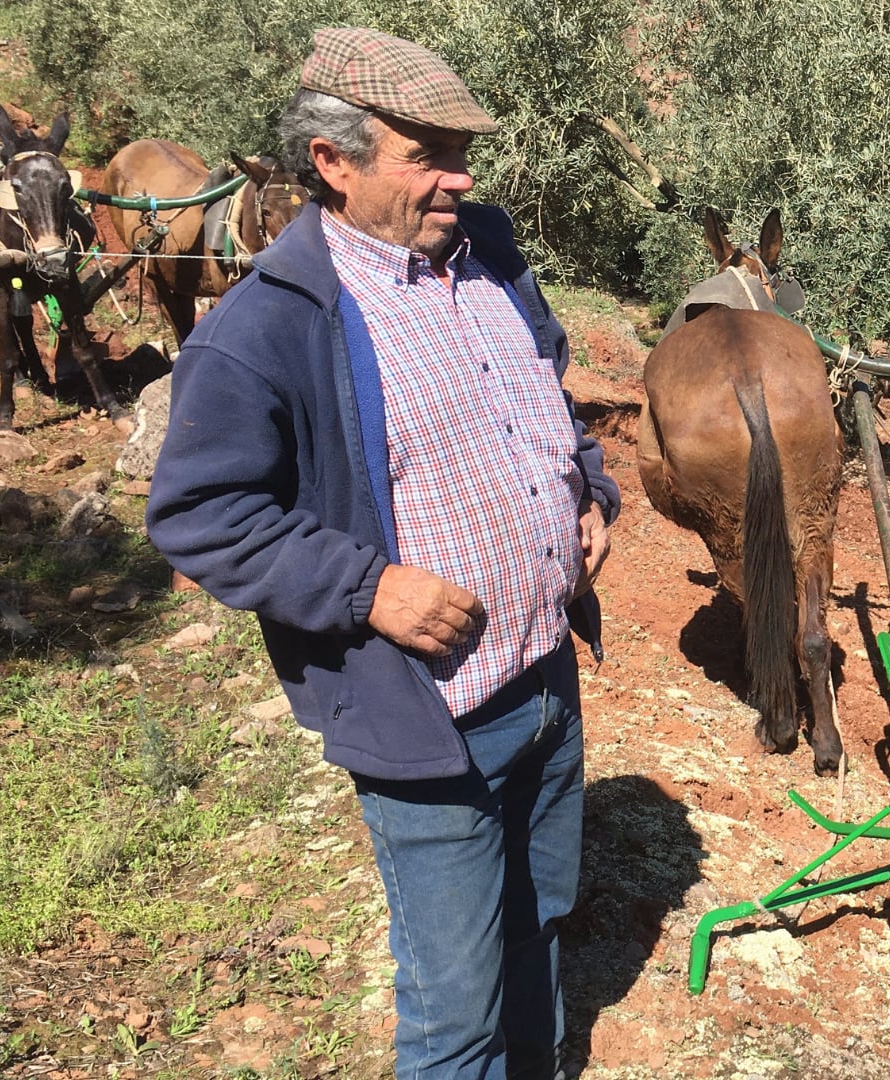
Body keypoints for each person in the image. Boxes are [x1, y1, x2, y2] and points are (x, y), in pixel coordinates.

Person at [146, 28, 618, 1080]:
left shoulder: (488, 253)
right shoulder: (267, 328)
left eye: (463, 151)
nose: (459, 178)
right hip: (432, 724)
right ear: (334, 162)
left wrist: (590, 486)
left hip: (546, 690)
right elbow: (198, 516)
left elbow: (544, 393)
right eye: (429, 154)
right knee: (456, 1017)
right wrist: (367, 586)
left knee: (539, 930)